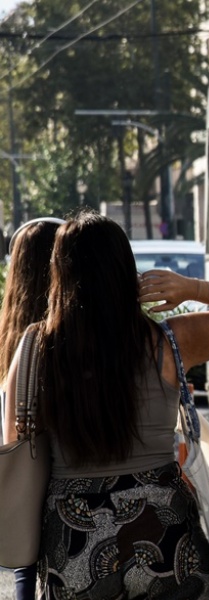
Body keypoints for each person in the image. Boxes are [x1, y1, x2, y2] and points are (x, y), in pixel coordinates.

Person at [1, 211, 209, 599]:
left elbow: (16, 441)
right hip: (165, 530)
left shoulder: (36, 350)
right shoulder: (168, 342)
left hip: (75, 538)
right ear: (125, 271)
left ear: (59, 274)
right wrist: (189, 287)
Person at [0, 217, 62, 600]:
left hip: (29, 484)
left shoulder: (13, 337)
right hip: (71, 479)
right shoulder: (60, 337)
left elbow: (11, 436)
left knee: (26, 569)